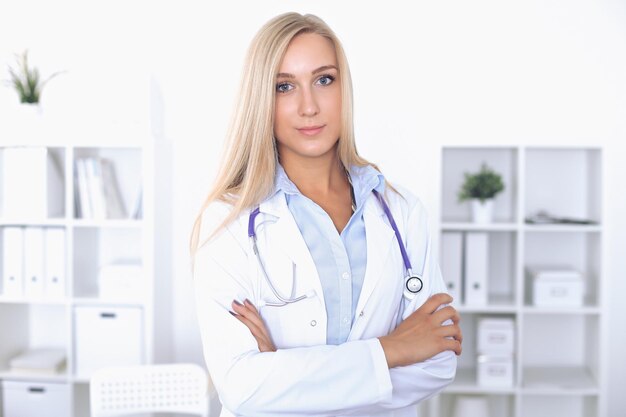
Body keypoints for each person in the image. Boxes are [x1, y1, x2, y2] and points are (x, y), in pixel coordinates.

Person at [190, 12, 462, 417]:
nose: (309, 106)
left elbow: (438, 361)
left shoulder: (402, 212)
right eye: (284, 86)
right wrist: (394, 349)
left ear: (343, 88)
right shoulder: (226, 222)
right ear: (261, 99)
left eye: (324, 80)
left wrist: (283, 372)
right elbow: (242, 388)